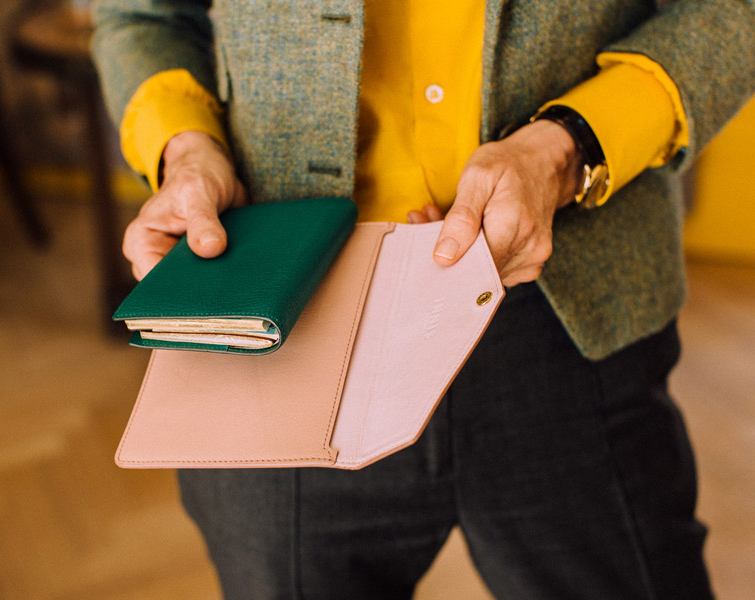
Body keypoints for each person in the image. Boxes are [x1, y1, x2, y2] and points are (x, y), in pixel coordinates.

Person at [92, 1, 755, 598]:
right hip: (277, 329)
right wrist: (185, 151)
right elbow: (142, 16)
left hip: (570, 312)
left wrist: (569, 147)